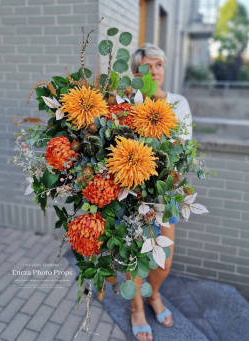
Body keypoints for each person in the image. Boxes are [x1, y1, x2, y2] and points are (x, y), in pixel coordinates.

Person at [128, 43, 192, 341]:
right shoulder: (128, 104)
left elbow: (185, 151)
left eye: (158, 65)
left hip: (166, 195)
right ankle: (137, 306)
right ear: (135, 72)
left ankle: (153, 293)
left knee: (163, 261)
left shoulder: (179, 103)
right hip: (131, 194)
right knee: (132, 255)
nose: (153, 72)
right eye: (146, 67)